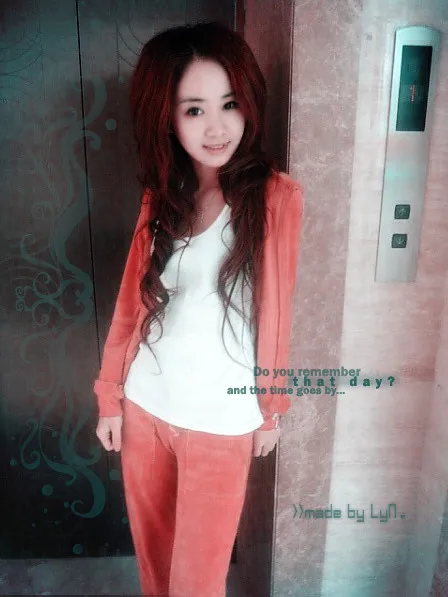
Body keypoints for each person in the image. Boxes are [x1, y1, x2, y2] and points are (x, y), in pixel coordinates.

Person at [93, 20, 303, 597]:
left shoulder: (275, 198)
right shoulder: (161, 197)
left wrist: (272, 409)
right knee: (155, 573)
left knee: (197, 583)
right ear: (167, 118)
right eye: (194, 110)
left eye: (230, 104)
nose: (217, 127)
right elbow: (130, 305)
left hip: (221, 422)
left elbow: (277, 315)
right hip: (145, 407)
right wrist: (110, 396)